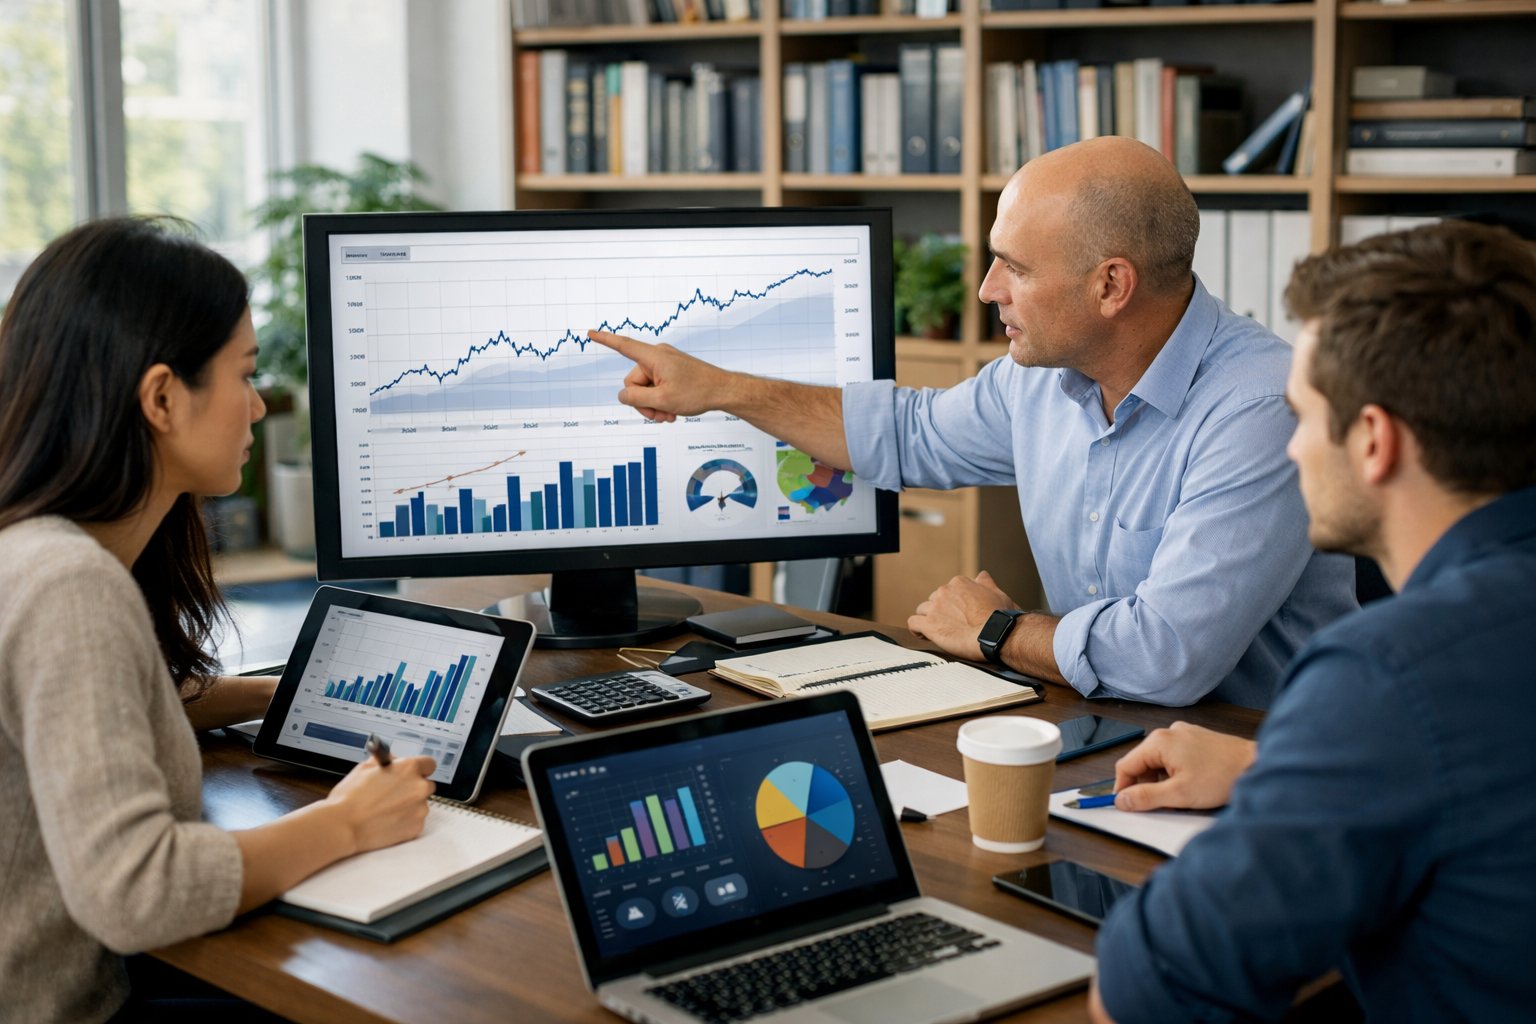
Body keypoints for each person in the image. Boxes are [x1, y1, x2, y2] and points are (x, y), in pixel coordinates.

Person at [590, 135, 1355, 708]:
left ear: (1111, 286)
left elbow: (1167, 658)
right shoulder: (1048, 379)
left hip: (1250, 768)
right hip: (1106, 733)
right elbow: (904, 434)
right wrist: (720, 387)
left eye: (1014, 267)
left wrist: (995, 630)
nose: (988, 289)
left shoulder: (1262, 408)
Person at [1090, 220, 1536, 1022]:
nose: (1291, 448)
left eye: (1302, 415)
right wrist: (1282, 771)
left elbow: (1147, 989)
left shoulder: (1389, 672)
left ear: (1373, 441)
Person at [0, 217, 438, 1023]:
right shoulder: (69, 586)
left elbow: (105, 708)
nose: (259, 406)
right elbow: (139, 890)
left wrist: (269, 696)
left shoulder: (36, 553)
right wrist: (345, 822)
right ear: (163, 397)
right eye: (245, 375)